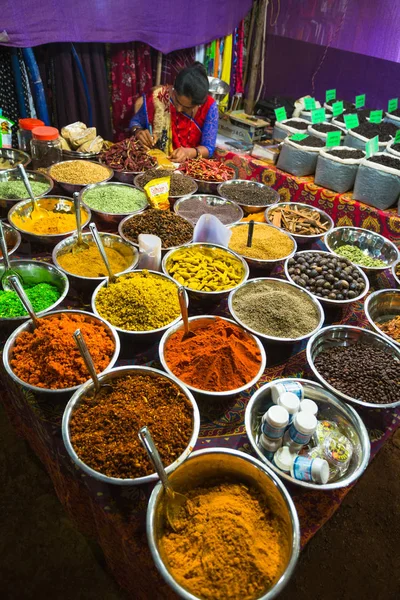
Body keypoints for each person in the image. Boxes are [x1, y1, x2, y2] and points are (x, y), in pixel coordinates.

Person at [129, 63, 219, 162]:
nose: (179, 109)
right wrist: (138, 131)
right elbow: (135, 122)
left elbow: (209, 148)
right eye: (176, 100)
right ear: (174, 89)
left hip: (189, 166)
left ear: (198, 104)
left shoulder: (209, 107)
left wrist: (188, 152)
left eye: (186, 107)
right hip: (156, 163)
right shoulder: (159, 97)